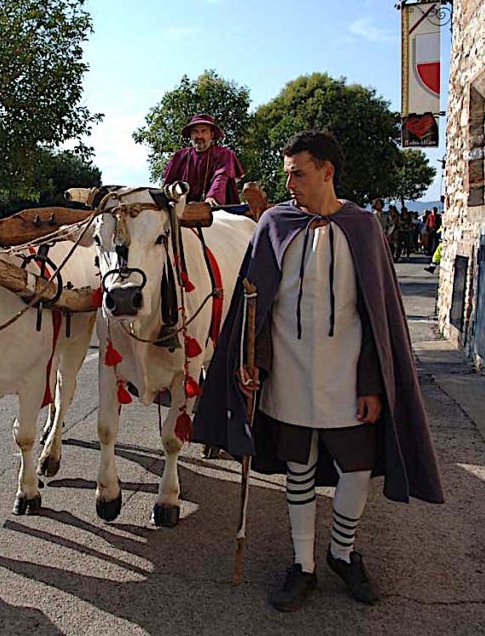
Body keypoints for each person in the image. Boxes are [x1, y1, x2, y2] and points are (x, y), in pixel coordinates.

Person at [193, 130, 443, 612]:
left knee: (355, 468)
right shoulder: (274, 224)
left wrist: (373, 381)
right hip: (287, 373)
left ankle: (342, 554)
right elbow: (253, 304)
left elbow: (379, 316)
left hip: (347, 377)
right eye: (287, 174)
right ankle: (303, 563)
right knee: (299, 468)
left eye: (299, 173)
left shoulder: (364, 227)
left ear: (328, 172)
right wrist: (250, 365)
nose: (290, 183)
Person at [162, 114, 246, 206]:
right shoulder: (179, 156)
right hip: (181, 209)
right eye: (195, 132)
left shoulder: (224, 154)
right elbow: (167, 184)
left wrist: (212, 197)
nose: (199, 136)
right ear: (190, 135)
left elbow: (221, 178)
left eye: (204, 131)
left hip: (217, 209)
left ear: (211, 135)